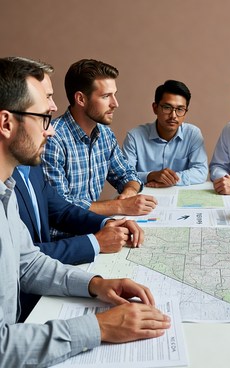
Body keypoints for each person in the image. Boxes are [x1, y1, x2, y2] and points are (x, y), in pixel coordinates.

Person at [0, 57, 170, 367]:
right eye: (43, 118)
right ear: (7, 124)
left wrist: (96, 285)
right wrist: (100, 327)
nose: (50, 133)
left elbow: (26, 262)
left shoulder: (7, 188)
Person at [8, 58, 144, 321]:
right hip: (40, 281)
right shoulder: (46, 142)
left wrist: (109, 222)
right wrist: (96, 239)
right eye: (45, 105)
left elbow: (59, 208)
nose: (54, 107)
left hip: (50, 275)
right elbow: (26, 261)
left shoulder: (29, 164)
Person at [41, 59, 157, 226]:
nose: (115, 103)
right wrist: (120, 206)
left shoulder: (104, 134)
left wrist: (129, 192)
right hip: (65, 239)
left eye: (114, 94)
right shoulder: (53, 139)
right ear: (81, 99)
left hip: (94, 228)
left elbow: (127, 174)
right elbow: (62, 207)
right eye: (106, 96)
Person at [122, 79, 208, 187]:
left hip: (180, 198)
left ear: (185, 112)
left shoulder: (193, 134)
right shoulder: (134, 137)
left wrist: (169, 180)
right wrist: (151, 176)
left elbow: (201, 172)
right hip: (144, 196)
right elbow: (124, 175)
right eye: (167, 108)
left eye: (180, 109)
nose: (173, 115)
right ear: (155, 108)